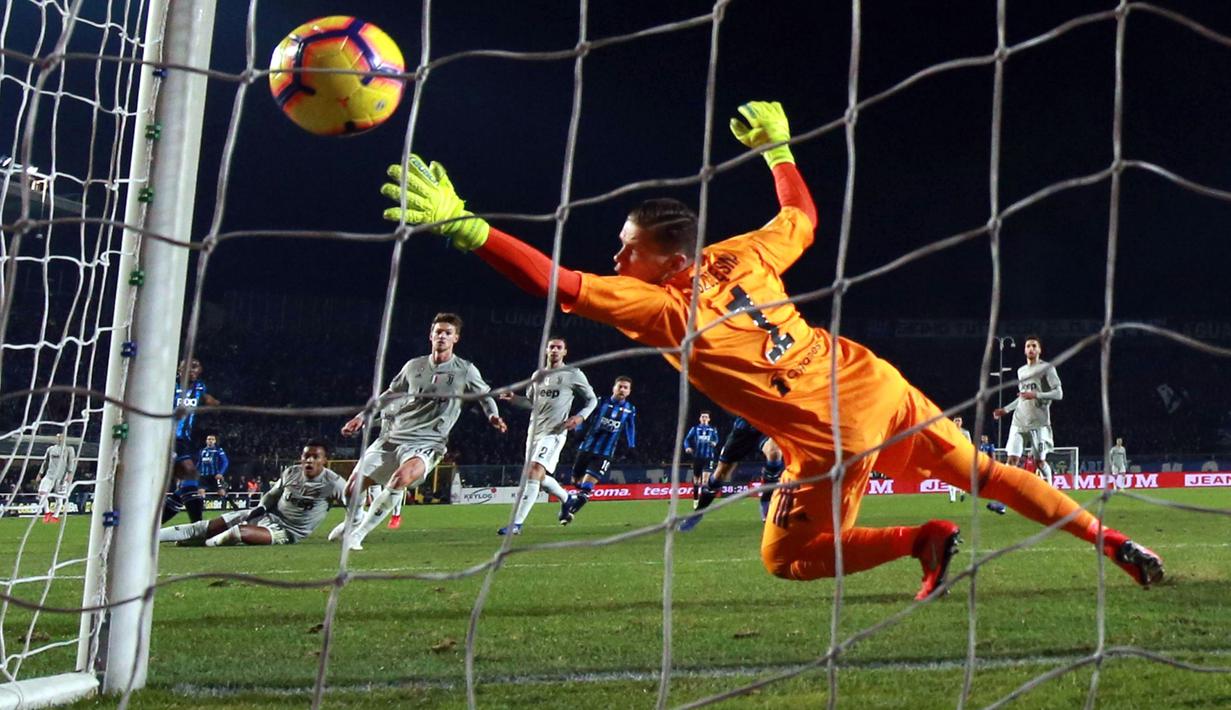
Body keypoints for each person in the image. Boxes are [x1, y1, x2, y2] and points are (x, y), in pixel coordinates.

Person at [380, 99, 1163, 597]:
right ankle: (1113, 541)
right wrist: (780, 150)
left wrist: (467, 228)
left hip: (826, 428)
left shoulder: (657, 308)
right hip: (871, 378)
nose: (616, 258)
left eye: (626, 249)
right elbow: (804, 220)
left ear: (666, 259)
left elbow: (555, 281)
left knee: (786, 559)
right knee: (984, 470)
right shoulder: (743, 253)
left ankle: (918, 537)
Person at [331, 313, 506, 550]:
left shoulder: (465, 370)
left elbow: (485, 397)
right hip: (394, 435)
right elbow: (390, 395)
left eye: (447, 333)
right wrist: (362, 417)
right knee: (352, 488)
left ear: (456, 338)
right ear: (430, 335)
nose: (442, 336)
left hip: (428, 441)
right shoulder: (413, 366)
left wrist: (493, 415)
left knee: (400, 479)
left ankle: (358, 535)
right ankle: (354, 519)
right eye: (438, 332)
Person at [497, 336, 597, 535]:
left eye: (559, 347)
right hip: (534, 432)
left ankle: (516, 524)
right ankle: (567, 499)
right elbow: (530, 403)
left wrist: (580, 417)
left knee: (533, 472)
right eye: (551, 347)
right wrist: (513, 399)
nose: (554, 350)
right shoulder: (538, 375)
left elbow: (592, 399)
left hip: (554, 432)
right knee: (540, 478)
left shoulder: (573, 374)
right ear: (546, 350)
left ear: (564, 352)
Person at [158, 440, 342, 546]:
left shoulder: (333, 483)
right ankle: (151, 538)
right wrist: (260, 507)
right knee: (202, 526)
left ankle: (203, 543)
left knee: (238, 532)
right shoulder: (292, 472)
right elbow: (273, 494)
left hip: (288, 531)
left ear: (325, 460)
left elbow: (354, 501)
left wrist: (351, 530)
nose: (309, 460)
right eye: (305, 456)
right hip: (266, 515)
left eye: (315, 457)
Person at [680, 415, 784, 532]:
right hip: (745, 427)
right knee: (721, 473)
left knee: (774, 453)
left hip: (768, 424)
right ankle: (698, 513)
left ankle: (766, 501)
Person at [558, 376, 637, 525]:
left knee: (586, 489)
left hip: (605, 454)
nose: (622, 390)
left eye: (625, 387)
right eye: (620, 386)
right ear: (614, 388)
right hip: (586, 448)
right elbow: (585, 416)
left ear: (629, 391)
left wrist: (632, 445)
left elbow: (630, 427)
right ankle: (572, 500)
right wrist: (579, 431)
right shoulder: (600, 402)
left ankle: (569, 513)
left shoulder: (630, 409)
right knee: (576, 482)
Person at [993, 336, 1062, 487]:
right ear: (1024, 350)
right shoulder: (1021, 371)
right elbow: (1023, 397)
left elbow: (1059, 394)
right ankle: (1004, 497)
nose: (1031, 348)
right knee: (1011, 460)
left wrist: (1036, 395)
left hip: (1039, 422)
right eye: (1028, 346)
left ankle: (1050, 488)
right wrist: (1005, 409)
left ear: (1039, 350)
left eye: (1034, 346)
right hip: (1018, 421)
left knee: (1039, 462)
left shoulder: (1047, 368)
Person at [163, 358, 221, 523]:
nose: (194, 372)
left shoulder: (199, 387)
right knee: (189, 473)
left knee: (188, 484)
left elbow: (207, 399)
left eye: (196, 369)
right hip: (169, 437)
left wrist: (215, 403)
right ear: (180, 370)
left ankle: (157, 524)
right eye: (190, 368)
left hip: (185, 440)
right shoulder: (170, 386)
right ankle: (198, 525)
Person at [36, 432, 77, 523]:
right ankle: (47, 513)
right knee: (41, 494)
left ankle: (55, 516)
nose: (59, 439)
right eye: (58, 437)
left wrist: (70, 474)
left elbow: (71, 462)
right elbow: (45, 462)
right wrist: (40, 473)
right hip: (49, 476)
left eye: (61, 437)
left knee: (59, 498)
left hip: (61, 478)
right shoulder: (50, 449)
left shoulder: (69, 449)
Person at [683, 411, 720, 501]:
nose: (704, 418)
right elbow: (686, 439)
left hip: (708, 457)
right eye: (702, 416)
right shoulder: (694, 429)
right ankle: (695, 499)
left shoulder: (712, 429)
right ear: (700, 418)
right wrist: (687, 447)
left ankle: (702, 501)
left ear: (709, 419)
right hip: (697, 457)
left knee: (705, 480)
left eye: (706, 417)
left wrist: (715, 443)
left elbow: (717, 439)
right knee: (696, 480)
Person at [198, 434, 237, 510]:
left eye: (212, 439)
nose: (210, 441)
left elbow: (225, 462)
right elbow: (199, 463)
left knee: (222, 492)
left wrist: (220, 473)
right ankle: (201, 508)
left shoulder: (219, 450)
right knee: (200, 491)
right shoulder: (202, 451)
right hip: (203, 475)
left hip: (214, 475)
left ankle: (234, 506)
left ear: (215, 441)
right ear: (206, 441)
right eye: (209, 439)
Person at [947, 417, 971, 503]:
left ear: (961, 422)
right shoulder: (949, 431)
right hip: (952, 456)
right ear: (953, 422)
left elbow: (969, 445)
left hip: (962, 456)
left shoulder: (965, 433)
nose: (957, 422)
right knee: (950, 477)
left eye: (959, 420)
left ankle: (962, 492)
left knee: (961, 476)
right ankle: (952, 497)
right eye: (956, 420)